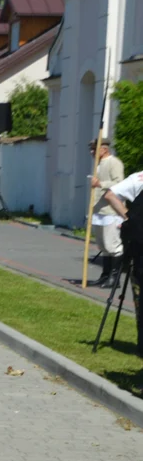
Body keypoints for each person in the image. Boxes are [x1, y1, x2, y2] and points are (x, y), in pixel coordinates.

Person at [101, 170, 143, 353]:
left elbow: (110, 194)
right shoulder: (139, 178)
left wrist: (130, 218)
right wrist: (130, 218)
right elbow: (109, 195)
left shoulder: (138, 177)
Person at [90, 139, 125, 288]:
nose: (92, 153)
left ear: (103, 150)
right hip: (99, 210)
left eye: (94, 149)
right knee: (103, 245)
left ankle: (115, 278)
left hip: (111, 210)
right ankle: (105, 275)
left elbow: (119, 182)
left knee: (112, 245)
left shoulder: (114, 163)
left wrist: (101, 184)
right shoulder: (97, 165)